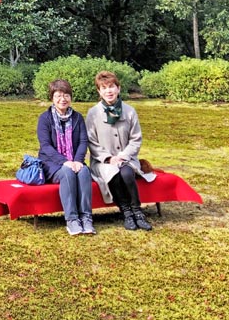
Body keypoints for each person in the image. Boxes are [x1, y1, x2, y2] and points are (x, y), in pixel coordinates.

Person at [86, 71, 153, 231]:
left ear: (118, 88)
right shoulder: (93, 113)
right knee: (114, 173)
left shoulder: (129, 111)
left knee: (127, 173)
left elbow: (136, 138)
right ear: (99, 91)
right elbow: (91, 141)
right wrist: (108, 158)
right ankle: (126, 212)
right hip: (102, 162)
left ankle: (138, 211)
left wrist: (123, 156)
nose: (108, 91)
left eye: (112, 87)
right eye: (104, 88)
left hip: (127, 158)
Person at [36, 78, 96, 236]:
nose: (63, 99)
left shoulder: (77, 118)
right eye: (58, 96)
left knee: (84, 172)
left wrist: (77, 160)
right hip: (52, 164)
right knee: (67, 172)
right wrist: (65, 162)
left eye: (66, 95)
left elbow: (83, 141)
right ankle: (72, 220)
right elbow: (46, 146)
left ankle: (87, 218)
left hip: (74, 160)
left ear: (71, 97)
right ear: (52, 98)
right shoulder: (45, 118)